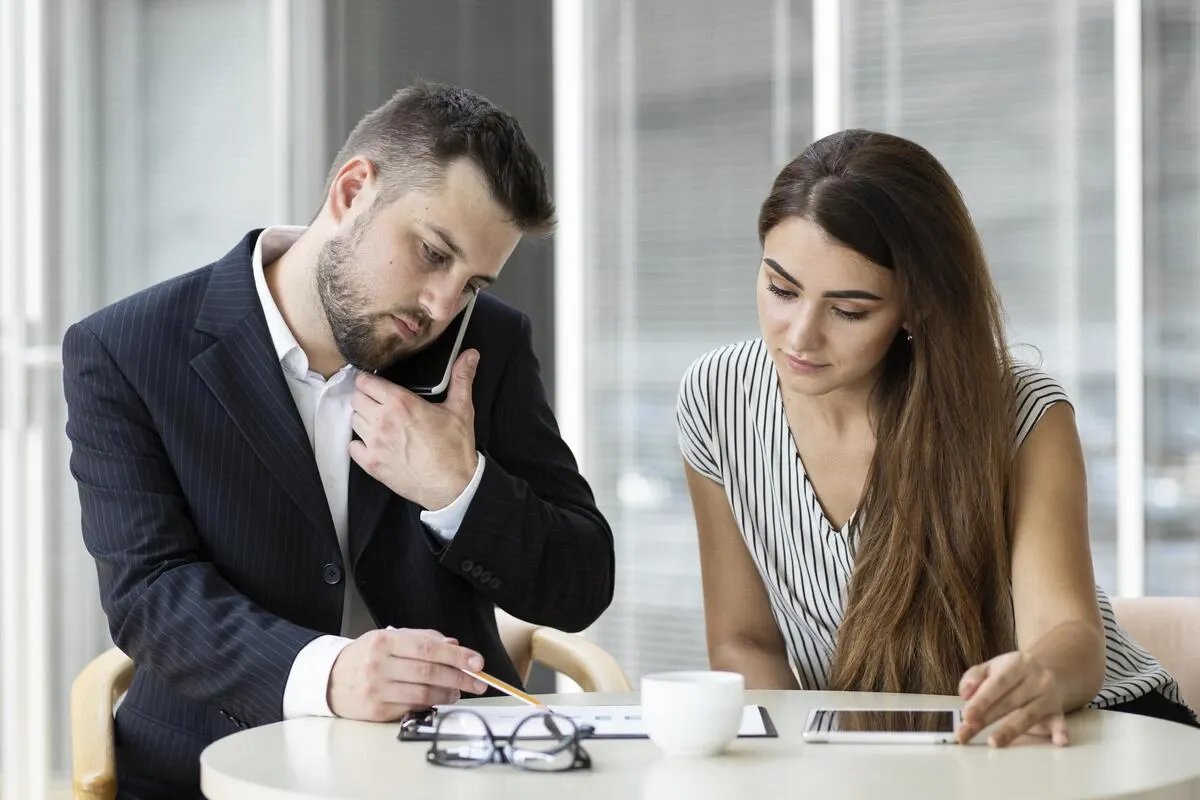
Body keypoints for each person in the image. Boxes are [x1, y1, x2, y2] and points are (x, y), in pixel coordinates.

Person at [63, 82, 614, 799]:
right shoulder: (125, 350)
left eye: (473, 284)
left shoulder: (486, 345)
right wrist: (329, 673)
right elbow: (149, 594)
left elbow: (580, 584)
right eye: (432, 252)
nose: (443, 306)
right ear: (353, 191)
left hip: (451, 774)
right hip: (210, 769)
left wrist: (460, 489)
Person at [676, 129, 1198, 748]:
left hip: (1089, 734)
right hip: (877, 753)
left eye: (849, 310)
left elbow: (1070, 636)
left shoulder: (1019, 411)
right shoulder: (717, 397)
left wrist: (1039, 675)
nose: (800, 335)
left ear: (916, 306)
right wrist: (801, 763)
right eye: (781, 290)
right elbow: (744, 641)